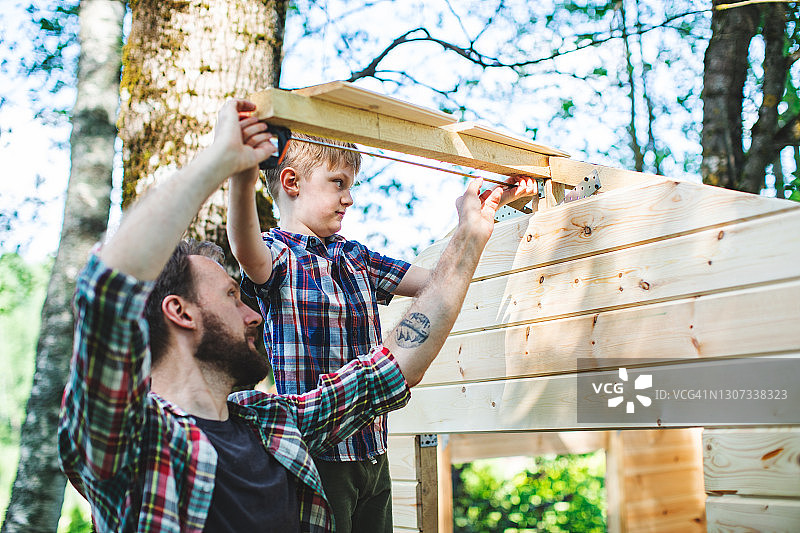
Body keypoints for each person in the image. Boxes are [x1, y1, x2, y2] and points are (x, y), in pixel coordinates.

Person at [57, 99, 537, 532]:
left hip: (368, 449)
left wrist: (473, 231)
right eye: (232, 295)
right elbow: (106, 292)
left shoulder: (273, 426)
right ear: (180, 313)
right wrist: (225, 166)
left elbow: (398, 363)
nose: (253, 311)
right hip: (335, 461)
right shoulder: (130, 442)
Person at [225, 129, 431, 531]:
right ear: (292, 182)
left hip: (374, 451)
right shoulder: (277, 253)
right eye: (338, 183)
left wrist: (485, 217)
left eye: (350, 186)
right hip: (318, 457)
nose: (349, 198)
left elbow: (439, 282)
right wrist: (242, 175)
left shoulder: (354, 255)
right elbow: (243, 246)